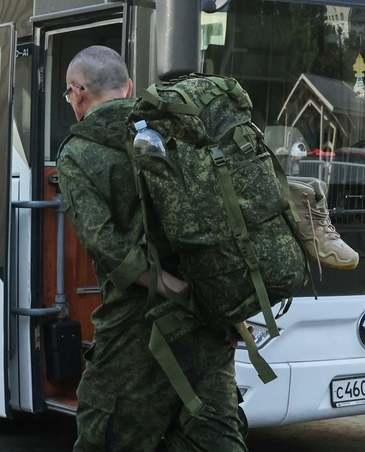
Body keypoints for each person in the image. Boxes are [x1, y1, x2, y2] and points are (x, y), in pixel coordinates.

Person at [57, 46, 247, 452]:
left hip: (134, 333)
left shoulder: (77, 153)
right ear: (128, 87)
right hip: (207, 326)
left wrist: (169, 287)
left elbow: (105, 244)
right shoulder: (174, 130)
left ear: (77, 93)